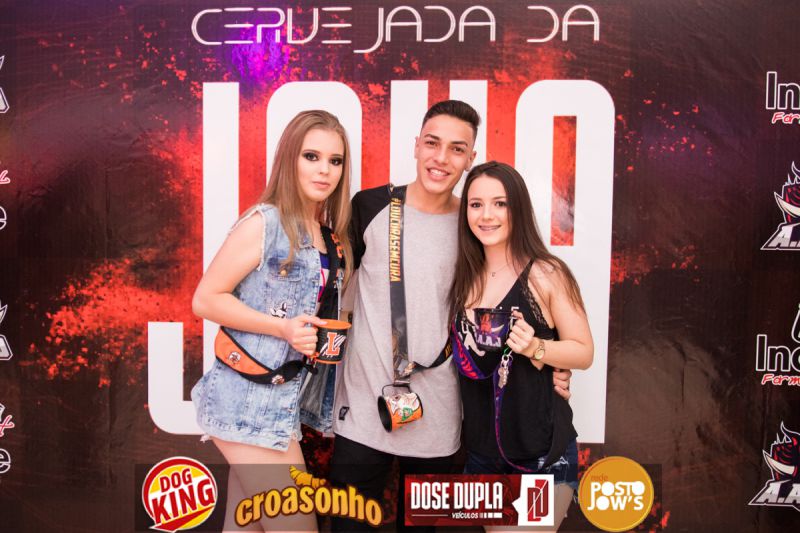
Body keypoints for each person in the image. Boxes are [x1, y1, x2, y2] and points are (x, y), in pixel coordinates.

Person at [329, 101, 573, 531]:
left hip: (439, 416)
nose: (441, 158)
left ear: (470, 158)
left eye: (457, 149)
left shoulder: (474, 224)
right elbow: (329, 283)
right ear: (416, 146)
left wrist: (551, 360)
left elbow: (513, 294)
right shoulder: (369, 206)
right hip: (364, 409)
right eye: (432, 143)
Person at [190, 110, 353, 532]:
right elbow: (206, 299)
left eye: (335, 160)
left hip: (284, 406)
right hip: (248, 403)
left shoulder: (329, 238)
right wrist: (281, 327)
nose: (324, 170)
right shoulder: (265, 223)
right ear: (289, 159)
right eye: (311, 156)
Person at [449, 161, 593, 531]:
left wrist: (537, 348)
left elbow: (583, 351)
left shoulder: (546, 272)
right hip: (483, 456)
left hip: (538, 456)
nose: (487, 215)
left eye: (500, 203)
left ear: (518, 208)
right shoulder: (464, 276)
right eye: (476, 204)